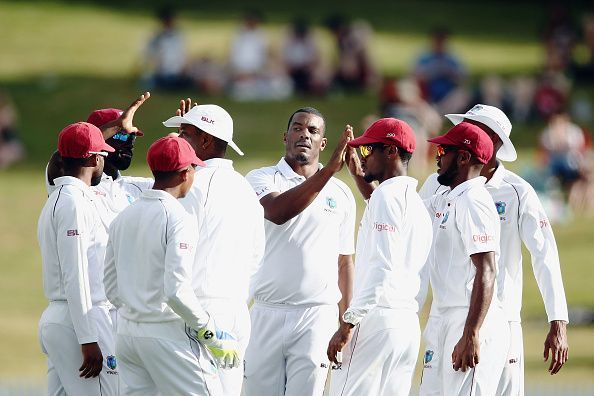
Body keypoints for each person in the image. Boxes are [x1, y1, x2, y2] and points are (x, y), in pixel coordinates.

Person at [419, 104, 569, 396]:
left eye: (473, 128)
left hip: (498, 319)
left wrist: (558, 320)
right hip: (444, 315)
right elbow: (416, 239)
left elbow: (545, 254)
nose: (462, 132)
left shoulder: (516, 190)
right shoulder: (436, 184)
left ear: (495, 141)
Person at [104, 135, 240, 395]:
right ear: (184, 173)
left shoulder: (124, 217)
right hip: (168, 336)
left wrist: (138, 310)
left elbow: (111, 286)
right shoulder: (179, 218)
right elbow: (176, 291)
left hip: (128, 337)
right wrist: (209, 331)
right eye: (193, 169)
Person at [243, 108, 356, 395]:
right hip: (266, 312)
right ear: (286, 135)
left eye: (313, 131)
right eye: (297, 127)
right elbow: (278, 211)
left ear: (323, 143)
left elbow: (345, 261)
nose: (304, 134)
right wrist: (330, 170)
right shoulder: (261, 178)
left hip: (315, 317)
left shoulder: (341, 194)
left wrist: (346, 321)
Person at [162, 99, 265, 396]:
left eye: (185, 134)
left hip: (198, 311)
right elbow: (257, 257)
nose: (179, 140)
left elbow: (171, 245)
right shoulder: (245, 188)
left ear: (205, 140)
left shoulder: (191, 184)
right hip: (235, 310)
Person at [326, 118, 432, 396]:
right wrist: (358, 176)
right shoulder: (416, 202)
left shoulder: (386, 197)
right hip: (406, 325)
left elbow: (381, 268)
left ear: (391, 151)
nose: (364, 158)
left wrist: (348, 324)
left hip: (376, 321)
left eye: (368, 150)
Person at [419, 121, 510, 395]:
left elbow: (487, 269)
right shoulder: (447, 197)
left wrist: (472, 333)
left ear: (463, 157)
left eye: (444, 150)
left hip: (470, 320)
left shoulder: (474, 200)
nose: (437, 156)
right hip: (446, 317)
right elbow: (402, 212)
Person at [37, 122, 117, 395]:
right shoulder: (73, 201)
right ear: (94, 158)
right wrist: (88, 338)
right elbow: (76, 272)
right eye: (103, 156)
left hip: (63, 315)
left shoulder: (59, 196)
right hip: (80, 319)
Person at [414, 27, 468, 114]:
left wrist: (450, 73)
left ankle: (438, 114)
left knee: (462, 95)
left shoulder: (452, 59)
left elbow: (463, 79)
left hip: (448, 95)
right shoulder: (424, 58)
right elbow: (414, 77)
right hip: (427, 93)